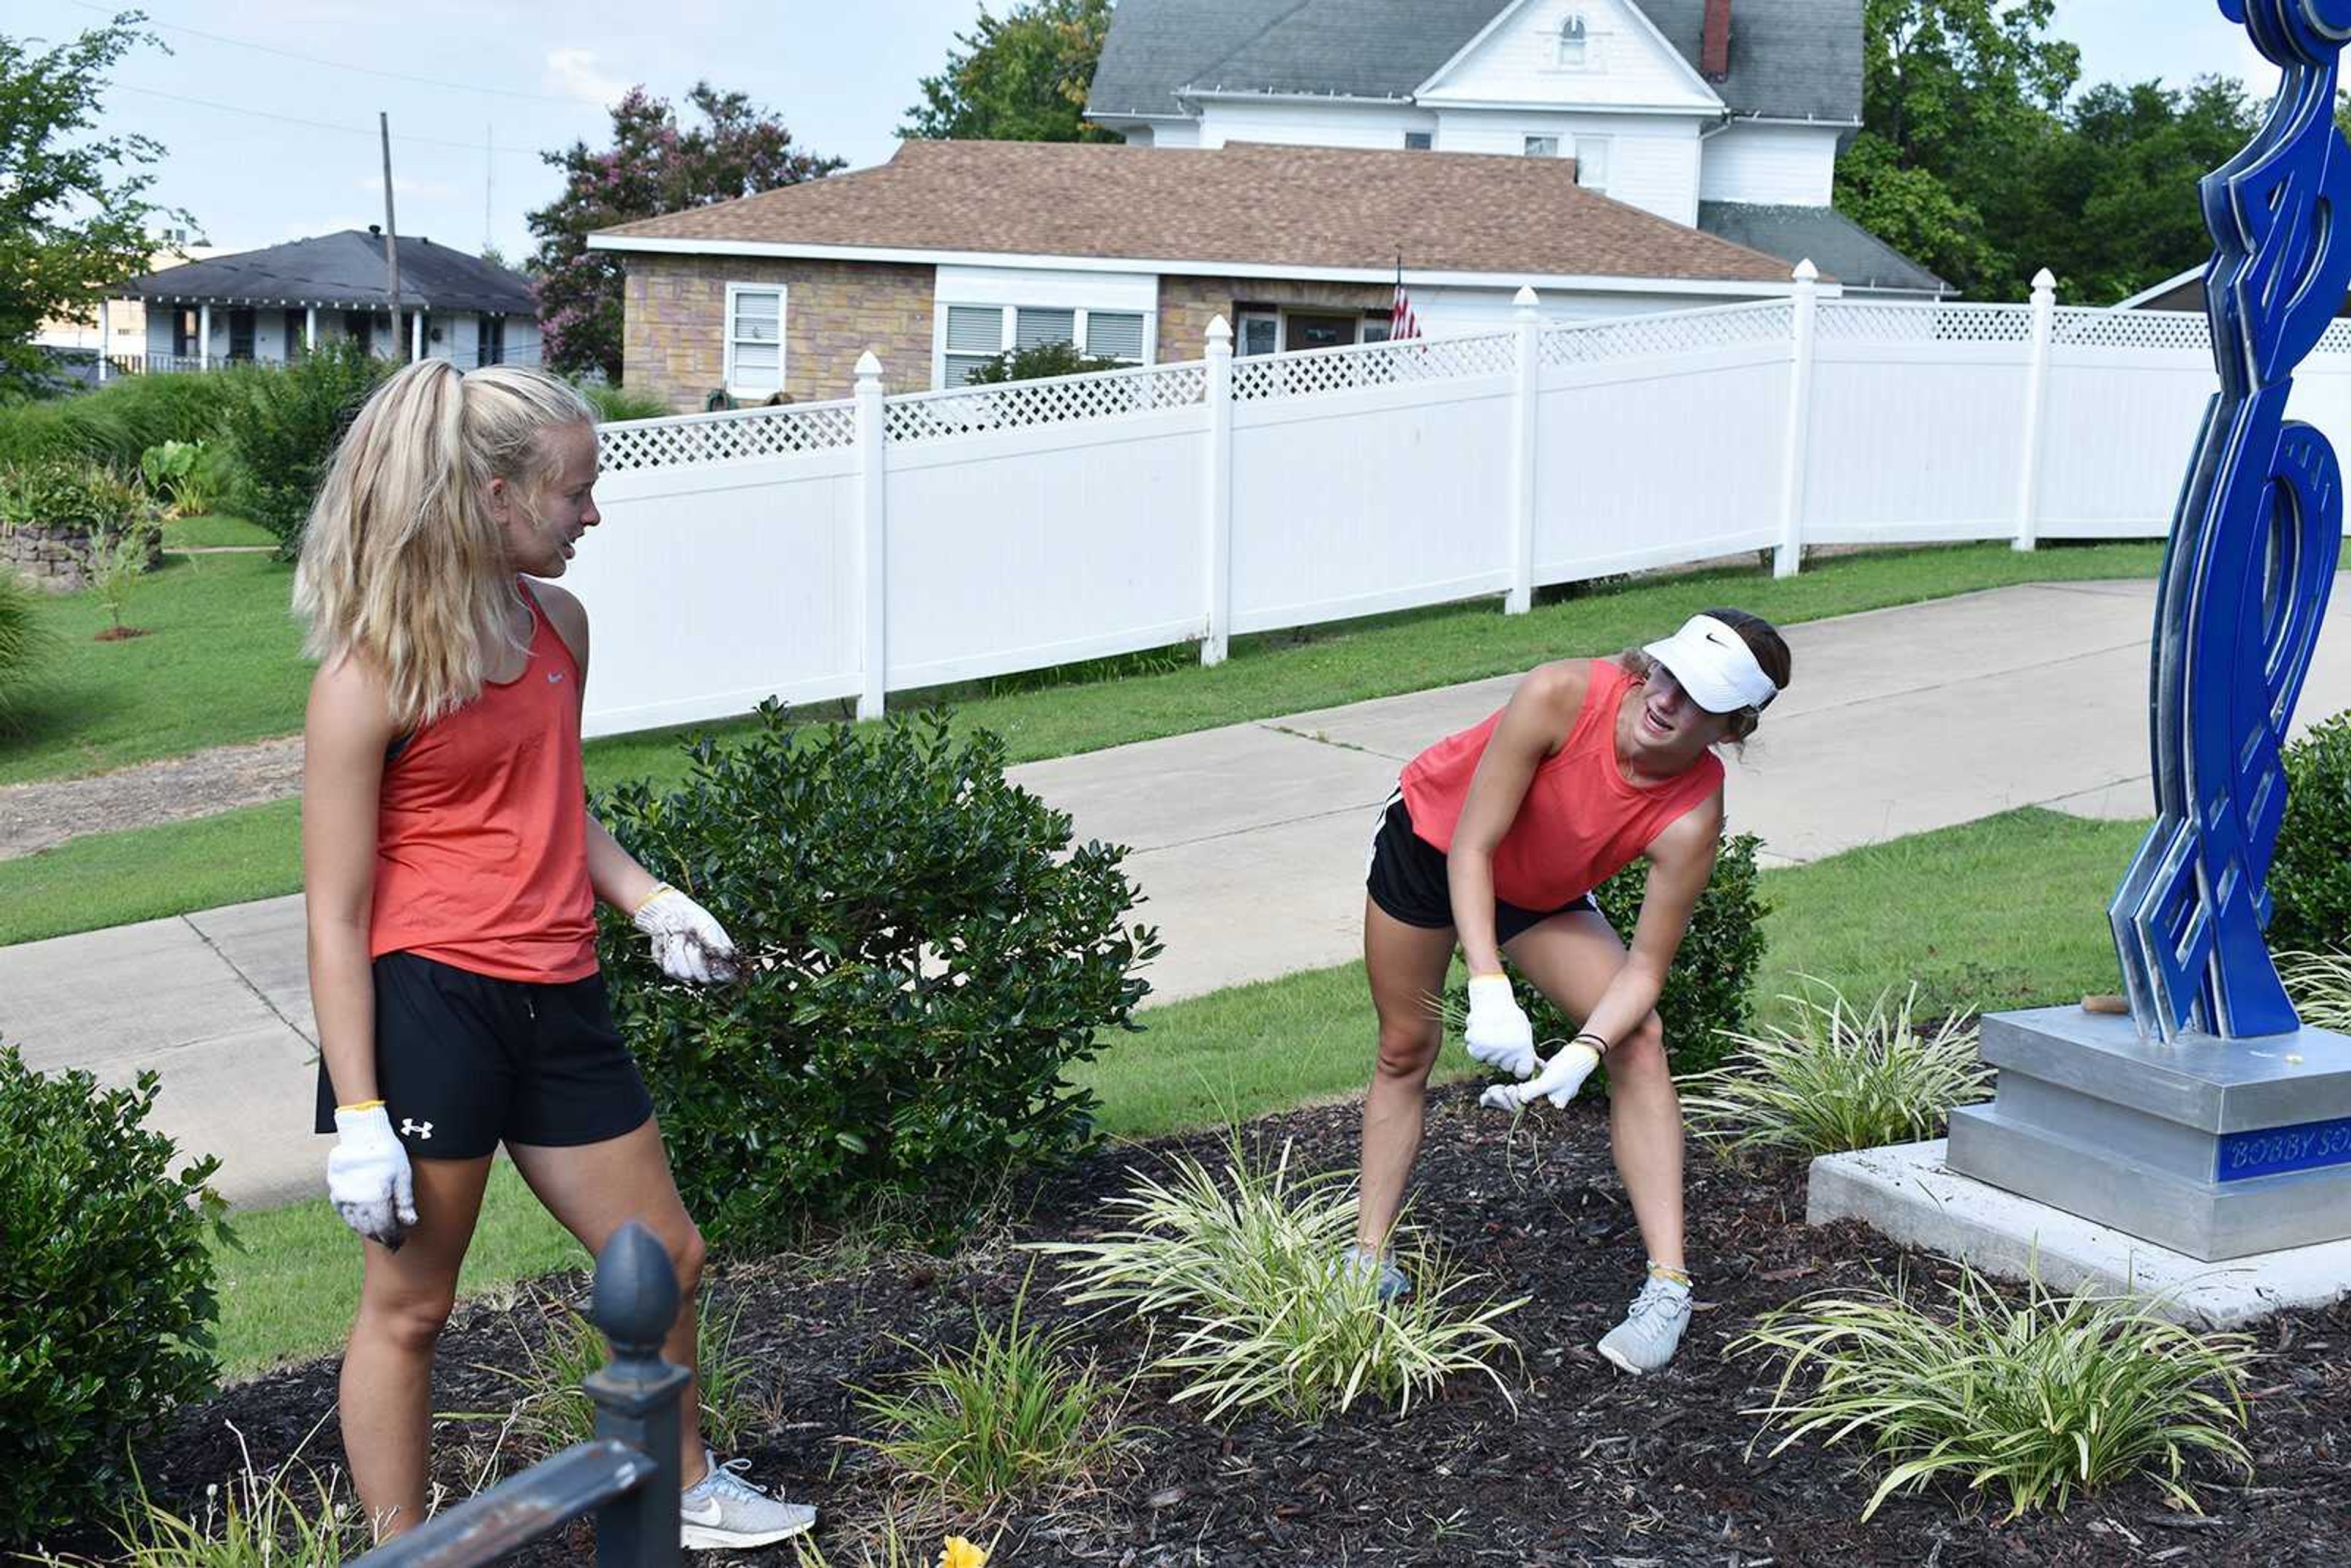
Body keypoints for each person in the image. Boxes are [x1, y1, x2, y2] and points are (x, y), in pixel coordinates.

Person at [298, 360, 814, 1548]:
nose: (594, 514)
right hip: (431, 1006)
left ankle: (682, 1486)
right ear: (494, 495)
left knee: (664, 1253)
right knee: (413, 1304)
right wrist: (363, 1111)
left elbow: (553, 805)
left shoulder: (555, 627)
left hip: (560, 990)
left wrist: (651, 898)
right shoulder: (369, 675)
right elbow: (334, 909)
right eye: (575, 491)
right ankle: (401, 1546)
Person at [1349, 610, 1791, 1374]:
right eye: (1668, 673)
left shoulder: (1691, 812)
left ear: (1730, 726)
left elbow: (1645, 970)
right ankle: (1365, 1260)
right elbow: (1474, 845)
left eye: (1698, 698)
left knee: (1639, 1037)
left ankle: (1668, 1289)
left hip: (1541, 890)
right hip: (1434, 844)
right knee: (1404, 1047)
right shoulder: (1560, 693)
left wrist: (1586, 1048)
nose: (1667, 699)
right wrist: (1489, 985)